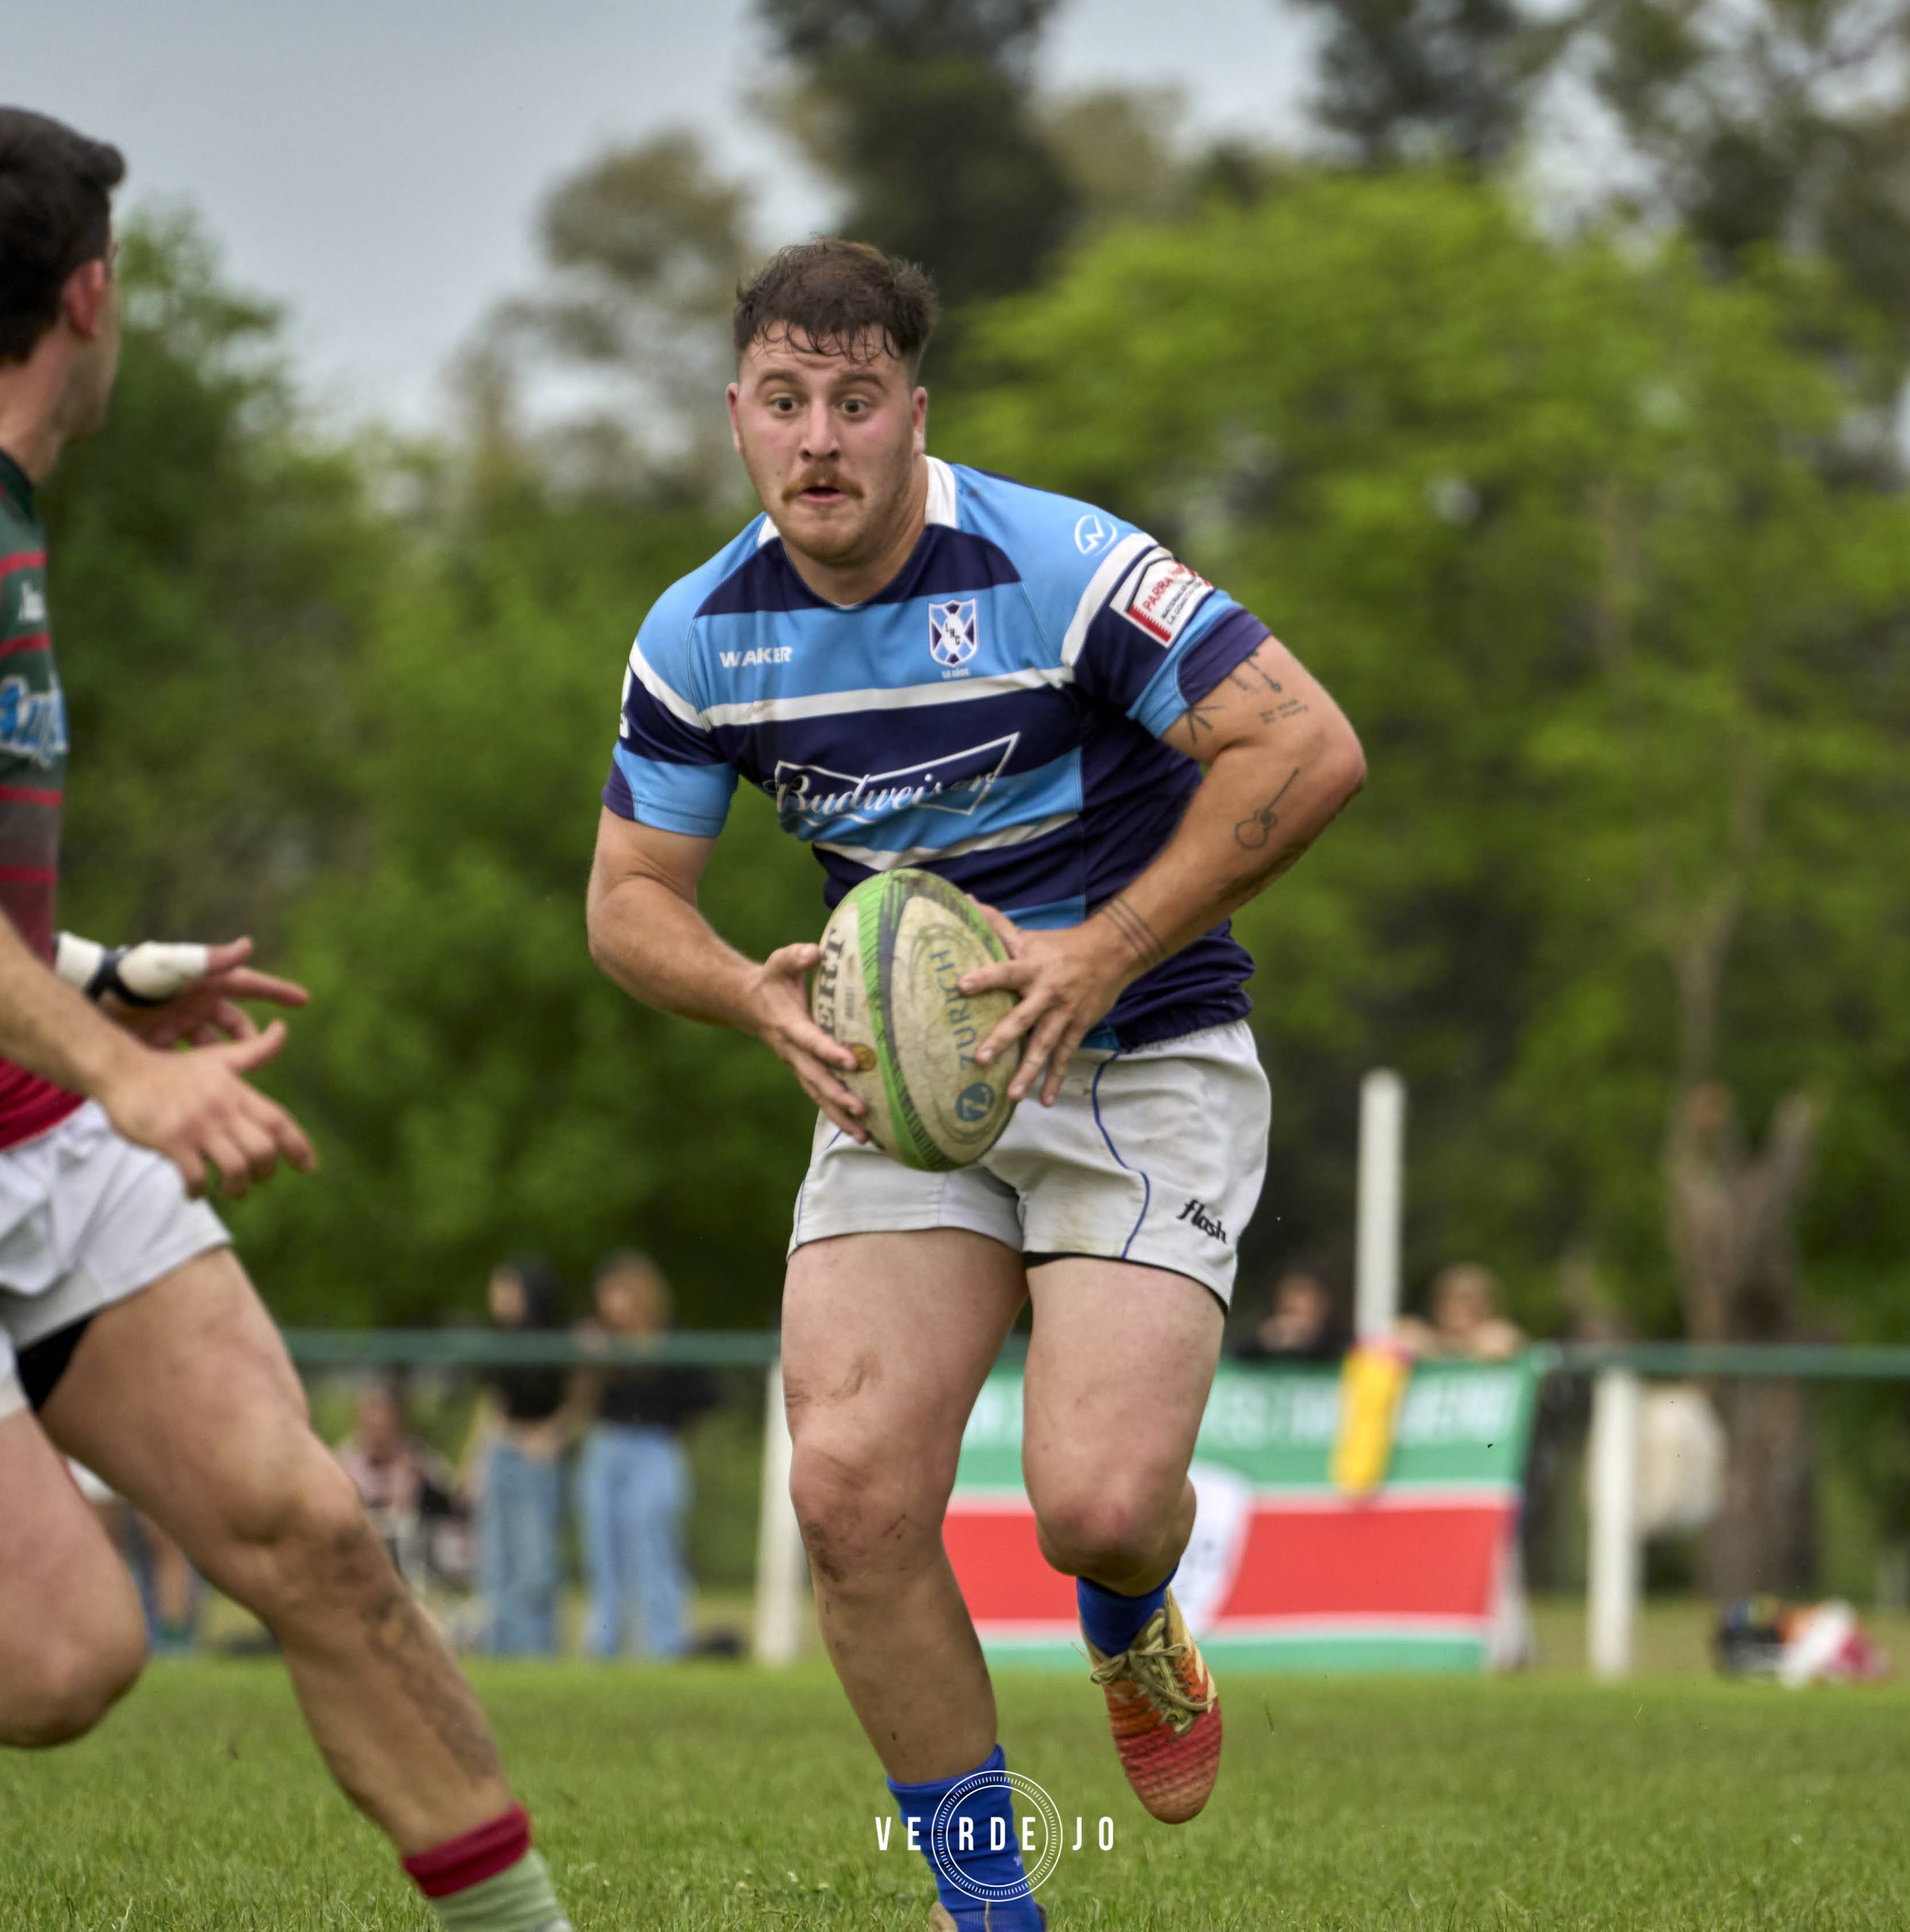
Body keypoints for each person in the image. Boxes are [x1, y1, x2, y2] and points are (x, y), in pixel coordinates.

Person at [0, 108, 571, 1929]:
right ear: (88, 294)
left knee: (312, 1532)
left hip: (8, 1124)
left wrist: (95, 976)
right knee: (58, 1662)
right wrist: (123, 1069)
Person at [583, 238, 1364, 1930]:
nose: (818, 440)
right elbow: (627, 899)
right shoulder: (700, 633)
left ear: (914, 414)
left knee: (1094, 1504)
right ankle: (987, 1907)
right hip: (911, 1082)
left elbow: (1306, 743)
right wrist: (745, 994)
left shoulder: (1056, 565)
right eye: (783, 401)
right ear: (736, 416)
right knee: (847, 1490)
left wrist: (1103, 948)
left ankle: (1129, 1608)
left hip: (1135, 1051)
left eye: (853, 402)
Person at [570, 1253, 714, 1662]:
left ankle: (663, 1644)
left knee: (654, 1544)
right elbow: (580, 1406)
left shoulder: (673, 1340)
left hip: (655, 1447)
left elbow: (698, 1404)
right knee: (602, 1548)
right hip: (606, 1445)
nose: (609, 1304)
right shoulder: (596, 1342)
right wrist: (590, 1363)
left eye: (617, 1294)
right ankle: (604, 1644)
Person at [476, 1257, 577, 1657]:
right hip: (502, 1453)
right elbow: (493, 1405)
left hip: (536, 1459)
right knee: (497, 1561)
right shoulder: (500, 1343)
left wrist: (550, 1436)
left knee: (535, 1564)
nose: (497, 1296)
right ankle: (502, 1652)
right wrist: (478, 1459)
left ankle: (537, 1652)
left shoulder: (557, 1344)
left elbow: (577, 1401)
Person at [334, 1381, 466, 1589]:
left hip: (415, 1563)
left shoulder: (417, 1460)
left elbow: (454, 1498)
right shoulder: (342, 1464)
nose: (377, 1429)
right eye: (371, 1420)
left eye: (383, 1421)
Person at [1399, 1263, 1525, 1362]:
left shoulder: (1500, 1335)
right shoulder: (1418, 1335)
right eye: (1454, 1297)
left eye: (1471, 1298)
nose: (1463, 1306)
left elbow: (1501, 1343)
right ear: (1438, 1304)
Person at [1226, 1266, 1350, 1364]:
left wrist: (1306, 1340)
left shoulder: (1340, 1346)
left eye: (1301, 1294)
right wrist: (1266, 1340)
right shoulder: (1264, 1342)